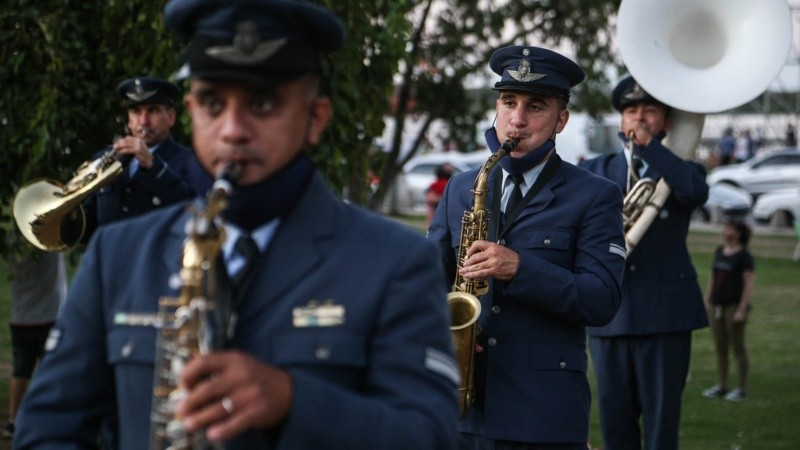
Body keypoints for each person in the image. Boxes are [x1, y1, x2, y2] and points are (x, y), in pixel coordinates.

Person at [14, 1, 459, 449]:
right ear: (190, 110)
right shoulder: (118, 254)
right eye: (212, 103)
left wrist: (294, 401)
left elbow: (431, 436)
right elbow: (47, 431)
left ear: (315, 118)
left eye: (262, 103)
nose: (231, 130)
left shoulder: (396, 262)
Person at [427, 45, 626, 449]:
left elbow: (600, 300)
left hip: (543, 414)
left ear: (561, 119)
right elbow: (425, 280)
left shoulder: (595, 195)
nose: (516, 119)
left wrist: (520, 268)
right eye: (508, 102)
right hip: (460, 411)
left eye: (535, 106)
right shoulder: (461, 187)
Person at [579, 76, 710, 450]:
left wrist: (653, 149)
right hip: (610, 313)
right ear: (620, 121)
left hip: (665, 316)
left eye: (649, 111)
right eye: (631, 111)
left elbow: (694, 191)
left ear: (666, 121)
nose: (639, 119)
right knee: (615, 424)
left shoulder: (680, 168)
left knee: (660, 428)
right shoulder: (596, 170)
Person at [81, 76, 196, 240]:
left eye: (153, 111)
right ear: (129, 119)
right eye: (136, 112)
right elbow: (90, 225)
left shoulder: (190, 161)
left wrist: (153, 166)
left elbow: (194, 211)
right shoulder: (105, 158)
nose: (143, 121)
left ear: (171, 117)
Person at [3, 252, 66, 440]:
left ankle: (13, 421)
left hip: (20, 319)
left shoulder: (13, 252)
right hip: (49, 318)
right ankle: (48, 420)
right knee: (52, 371)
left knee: (20, 372)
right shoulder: (51, 251)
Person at [702, 219, 755, 401]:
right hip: (716, 305)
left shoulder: (744, 256)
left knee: (737, 346)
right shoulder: (719, 251)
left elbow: (748, 284)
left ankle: (741, 388)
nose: (725, 231)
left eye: (729, 228)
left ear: (738, 233)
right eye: (725, 228)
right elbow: (713, 277)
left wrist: (742, 309)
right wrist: (707, 299)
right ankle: (722, 385)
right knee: (720, 346)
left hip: (733, 306)